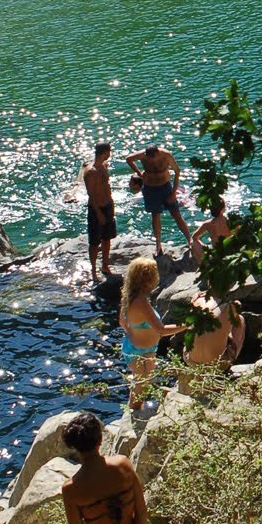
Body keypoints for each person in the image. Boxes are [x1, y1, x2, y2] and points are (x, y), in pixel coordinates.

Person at [60, 411, 148, 524]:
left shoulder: (71, 489)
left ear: (74, 446)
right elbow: (141, 512)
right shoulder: (123, 465)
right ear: (100, 439)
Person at [119, 257, 187, 410]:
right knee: (140, 390)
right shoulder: (141, 302)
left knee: (141, 386)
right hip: (139, 352)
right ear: (148, 278)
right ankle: (133, 422)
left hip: (142, 349)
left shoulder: (129, 297)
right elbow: (161, 330)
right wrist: (187, 326)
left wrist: (134, 333)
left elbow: (122, 322)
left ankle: (134, 414)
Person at [125, 145, 190, 257]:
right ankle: (158, 246)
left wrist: (173, 193)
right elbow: (128, 159)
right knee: (155, 215)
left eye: (153, 157)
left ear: (158, 153)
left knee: (176, 214)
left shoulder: (166, 155)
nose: (151, 160)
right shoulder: (142, 155)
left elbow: (177, 171)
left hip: (165, 187)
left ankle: (190, 240)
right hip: (150, 188)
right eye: (149, 157)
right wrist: (139, 173)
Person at [84, 143, 117, 283]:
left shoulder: (104, 166)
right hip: (97, 208)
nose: (110, 154)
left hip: (108, 206)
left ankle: (105, 266)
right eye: (109, 152)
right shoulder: (91, 172)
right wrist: (98, 213)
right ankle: (93, 270)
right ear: (105, 152)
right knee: (94, 241)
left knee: (107, 238)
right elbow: (91, 194)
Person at [185, 293, 245, 367]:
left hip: (191, 361)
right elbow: (237, 322)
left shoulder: (196, 300)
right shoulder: (233, 305)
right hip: (216, 366)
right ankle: (233, 359)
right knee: (240, 319)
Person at [189, 197, 230, 264]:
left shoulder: (208, 224)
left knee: (193, 242)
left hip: (216, 255)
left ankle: (204, 265)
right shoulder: (230, 222)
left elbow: (194, 237)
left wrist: (206, 248)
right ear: (223, 209)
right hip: (230, 254)